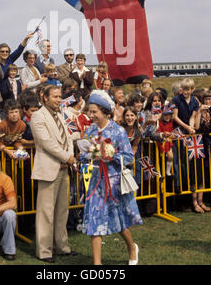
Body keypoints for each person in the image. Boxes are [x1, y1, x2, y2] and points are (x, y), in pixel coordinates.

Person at [81, 90, 142, 265]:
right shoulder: (90, 130)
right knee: (94, 223)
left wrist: (110, 155)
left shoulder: (118, 131)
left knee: (120, 222)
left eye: (94, 112)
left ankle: (131, 247)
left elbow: (129, 158)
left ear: (105, 112)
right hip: (96, 182)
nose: (91, 115)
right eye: (89, 111)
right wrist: (89, 155)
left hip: (114, 183)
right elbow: (83, 155)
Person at [31, 85, 76, 263]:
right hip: (49, 169)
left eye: (60, 96)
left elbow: (68, 138)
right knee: (46, 213)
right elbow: (46, 143)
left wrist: (69, 156)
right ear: (45, 97)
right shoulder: (37, 116)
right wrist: (67, 157)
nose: (59, 99)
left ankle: (62, 246)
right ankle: (44, 251)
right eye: (55, 97)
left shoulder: (59, 115)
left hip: (64, 169)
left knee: (62, 211)